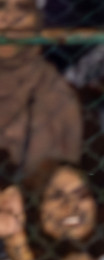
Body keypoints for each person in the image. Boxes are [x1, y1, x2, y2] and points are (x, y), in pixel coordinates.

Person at [0, 0, 83, 177]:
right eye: (0, 6)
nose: (10, 18)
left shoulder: (54, 90)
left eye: (24, 8)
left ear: (37, 22)